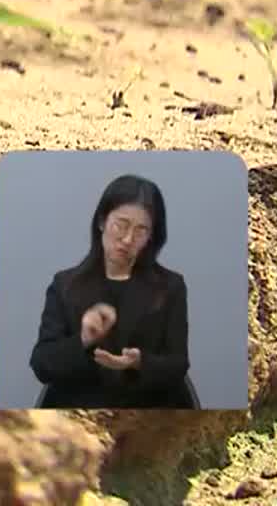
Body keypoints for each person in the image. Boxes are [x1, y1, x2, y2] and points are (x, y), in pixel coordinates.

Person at [29, 173, 196, 409]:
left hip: (150, 410)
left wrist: (139, 363)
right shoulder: (65, 285)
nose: (128, 239)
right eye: (121, 225)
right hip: (79, 412)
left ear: (151, 237)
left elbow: (178, 363)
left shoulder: (170, 286)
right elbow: (41, 364)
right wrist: (84, 339)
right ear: (101, 222)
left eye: (141, 231)